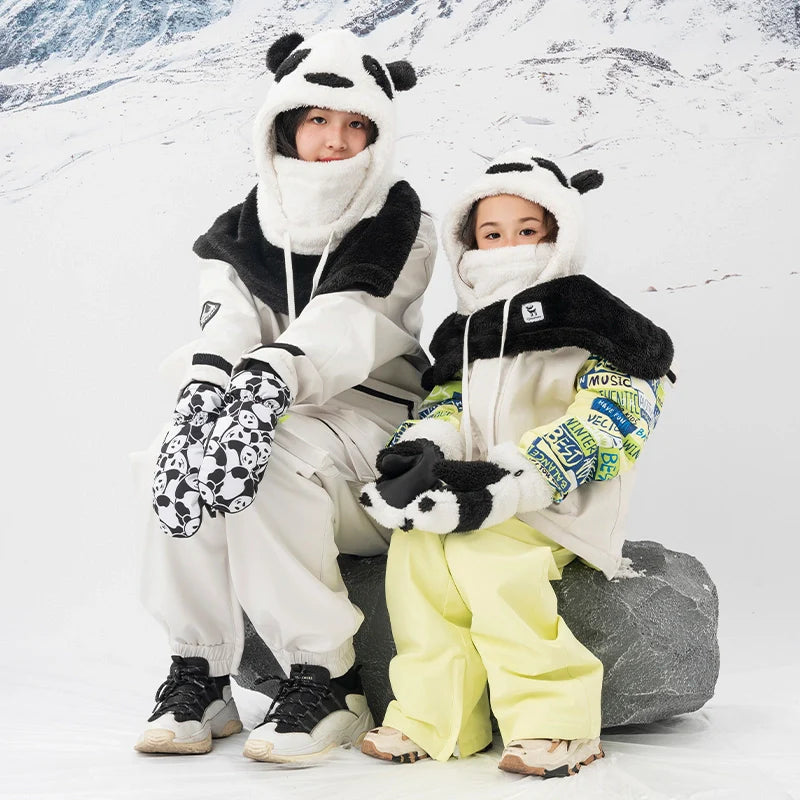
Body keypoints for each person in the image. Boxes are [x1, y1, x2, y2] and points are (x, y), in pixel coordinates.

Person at [133, 28, 436, 762]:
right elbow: (227, 312)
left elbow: (356, 322)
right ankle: (198, 671)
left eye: (355, 124)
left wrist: (271, 377)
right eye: (318, 120)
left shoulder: (401, 219)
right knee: (168, 459)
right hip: (261, 405)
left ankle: (327, 682)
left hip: (365, 427)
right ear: (285, 121)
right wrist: (208, 387)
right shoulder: (244, 222)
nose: (334, 140)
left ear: (378, 130)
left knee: (270, 453)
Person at [358, 148, 676, 777]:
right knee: (416, 557)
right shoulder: (468, 330)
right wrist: (425, 448)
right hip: (469, 496)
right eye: (491, 234)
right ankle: (433, 715)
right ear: (467, 243)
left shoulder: (599, 318)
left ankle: (557, 722)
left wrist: (521, 475)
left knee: (488, 559)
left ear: (560, 235)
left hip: (560, 497)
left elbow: (616, 417)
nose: (509, 247)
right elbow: (446, 404)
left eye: (528, 232)